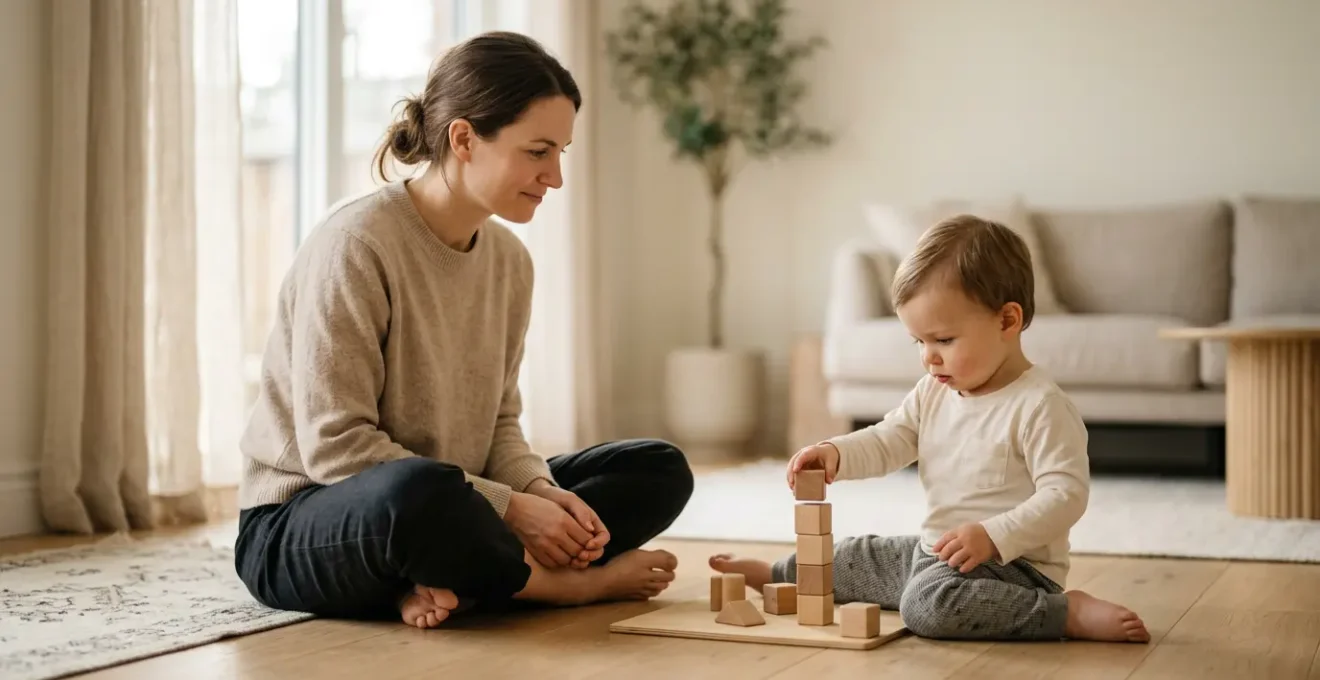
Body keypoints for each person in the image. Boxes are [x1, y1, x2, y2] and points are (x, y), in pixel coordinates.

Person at [233, 31, 694, 630]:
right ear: (463, 138)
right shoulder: (355, 245)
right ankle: (557, 588)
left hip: (455, 502)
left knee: (657, 469)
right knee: (422, 496)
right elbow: (336, 449)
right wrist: (510, 510)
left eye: (561, 153)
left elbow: (500, 421)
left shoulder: (510, 262)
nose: (555, 177)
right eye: (538, 151)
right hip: (310, 519)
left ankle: (450, 580)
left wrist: (540, 492)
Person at [710, 215, 1151, 643]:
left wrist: (994, 536)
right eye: (919, 342)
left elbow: (1065, 497)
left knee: (926, 605)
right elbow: (890, 438)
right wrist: (837, 453)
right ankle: (779, 576)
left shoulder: (1040, 406)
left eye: (943, 340)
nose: (928, 357)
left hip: (1013, 566)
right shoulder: (933, 392)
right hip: (936, 551)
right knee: (852, 555)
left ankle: (1063, 613)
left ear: (1007, 321)